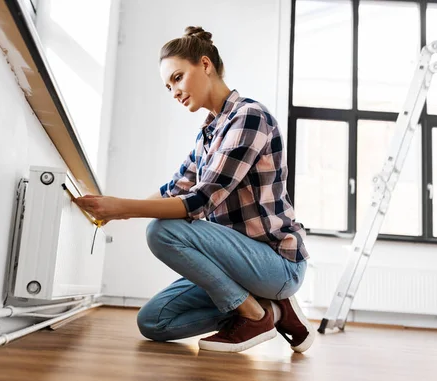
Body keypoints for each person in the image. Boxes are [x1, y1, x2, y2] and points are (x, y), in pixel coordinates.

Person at [74, 26, 314, 353]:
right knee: (154, 321)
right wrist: (113, 213)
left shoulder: (249, 117)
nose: (173, 91)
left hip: (275, 262)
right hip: (236, 264)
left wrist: (124, 207)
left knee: (161, 232)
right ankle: (272, 308)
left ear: (205, 65)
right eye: (167, 86)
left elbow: (198, 201)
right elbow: (173, 189)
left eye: (177, 77)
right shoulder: (207, 134)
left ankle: (253, 314)